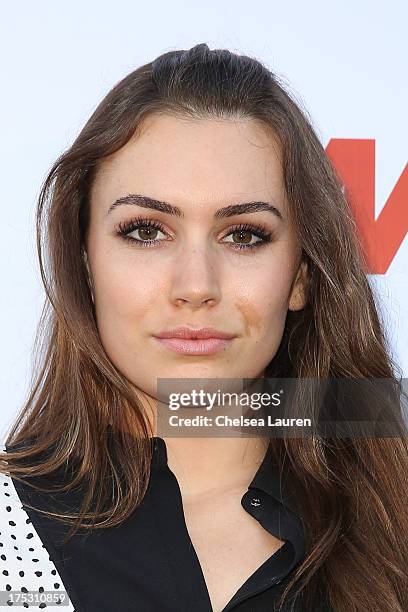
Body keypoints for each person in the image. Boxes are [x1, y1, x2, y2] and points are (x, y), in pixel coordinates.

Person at [0, 43, 407, 612]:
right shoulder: (8, 535)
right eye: (146, 231)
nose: (196, 285)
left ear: (301, 277)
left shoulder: (394, 523)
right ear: (84, 261)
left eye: (244, 235)